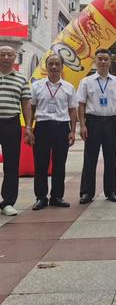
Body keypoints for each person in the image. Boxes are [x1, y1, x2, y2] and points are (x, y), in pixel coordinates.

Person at [77, 49, 116, 204]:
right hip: (92, 122)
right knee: (90, 158)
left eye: (106, 59)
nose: (103, 62)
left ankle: (111, 191)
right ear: (95, 61)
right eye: (100, 59)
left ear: (110, 62)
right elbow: (81, 104)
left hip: (110, 122)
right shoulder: (86, 81)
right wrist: (83, 125)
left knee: (110, 158)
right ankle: (87, 192)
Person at [28, 54, 77, 210]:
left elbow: (72, 110)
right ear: (46, 66)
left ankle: (57, 196)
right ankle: (41, 197)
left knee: (59, 164)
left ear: (62, 66)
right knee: (40, 164)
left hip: (62, 127)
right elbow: (32, 108)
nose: (54, 67)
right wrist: (29, 128)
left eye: (57, 64)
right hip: (42, 127)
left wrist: (72, 131)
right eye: (51, 64)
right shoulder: (37, 86)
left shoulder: (69, 87)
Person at [0, 45, 32, 216]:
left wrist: (28, 126)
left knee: (11, 164)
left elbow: (26, 103)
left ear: (15, 57)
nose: (6, 57)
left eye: (9, 55)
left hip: (11, 123)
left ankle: (8, 202)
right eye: (2, 54)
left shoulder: (21, 79)